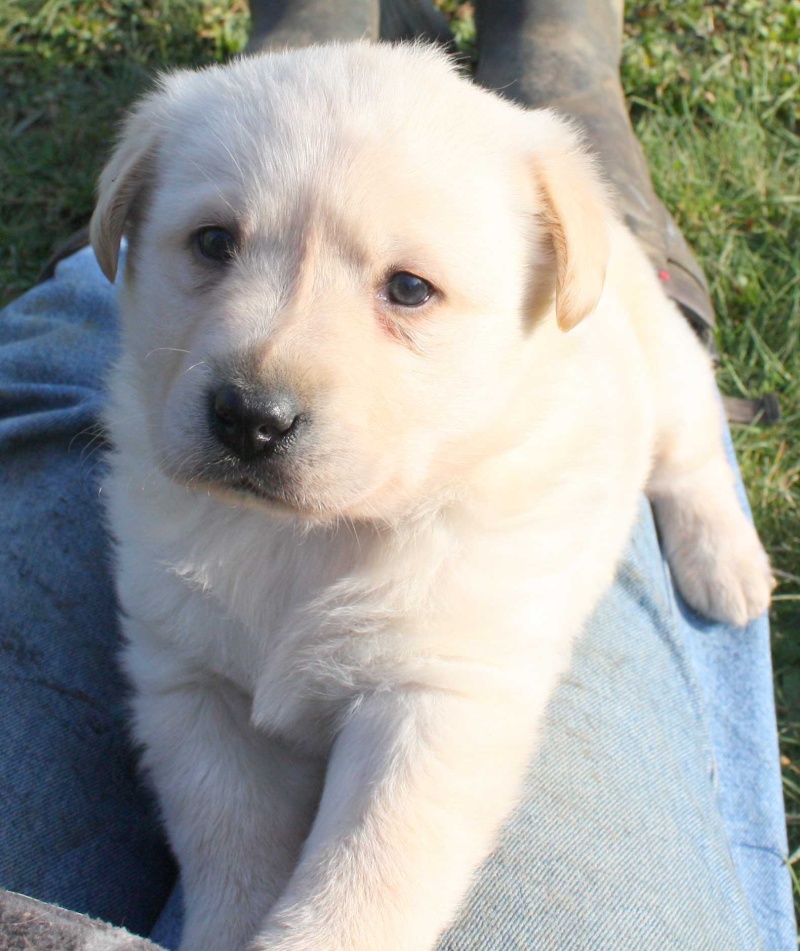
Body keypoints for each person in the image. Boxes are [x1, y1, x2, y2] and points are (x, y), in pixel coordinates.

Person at [0, 1, 794, 948]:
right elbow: (186, 686)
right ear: (131, 215)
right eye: (214, 244)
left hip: (576, 365)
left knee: (660, 369)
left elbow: (445, 713)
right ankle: (367, 69)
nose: (261, 379)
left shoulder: (537, 333)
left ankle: (693, 446)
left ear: (546, 280)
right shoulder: (182, 149)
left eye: (406, 289)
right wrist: (237, 900)